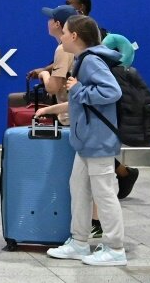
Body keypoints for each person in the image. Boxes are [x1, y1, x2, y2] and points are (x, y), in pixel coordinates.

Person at [46, 15, 127, 266]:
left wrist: (78, 89)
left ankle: (115, 249)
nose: (61, 37)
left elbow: (112, 91)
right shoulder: (85, 59)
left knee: (104, 194)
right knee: (78, 189)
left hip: (98, 141)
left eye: (65, 32)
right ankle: (79, 242)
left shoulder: (91, 61)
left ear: (75, 36)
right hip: (87, 141)